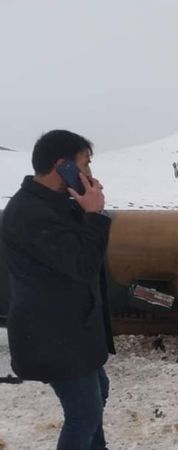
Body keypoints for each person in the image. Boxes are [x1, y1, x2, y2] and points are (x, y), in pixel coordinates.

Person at [2, 130, 115, 449]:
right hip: (52, 334)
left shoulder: (54, 204)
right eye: (85, 165)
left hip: (73, 329)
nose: (91, 174)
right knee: (83, 415)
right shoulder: (30, 215)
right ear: (63, 166)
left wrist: (85, 208)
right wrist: (93, 215)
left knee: (97, 397)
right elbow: (82, 264)